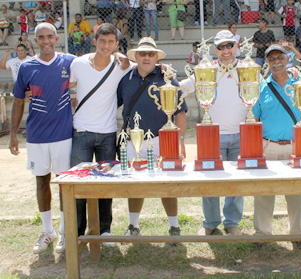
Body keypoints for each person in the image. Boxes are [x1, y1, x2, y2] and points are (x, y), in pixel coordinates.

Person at [9, 22, 76, 254]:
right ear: (34, 41)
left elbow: (95, 64)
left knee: (64, 184)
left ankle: (66, 231)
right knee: (41, 182)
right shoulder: (26, 67)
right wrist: (13, 135)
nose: (46, 41)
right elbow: (18, 101)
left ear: (57, 39)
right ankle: (48, 231)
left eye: (50, 36)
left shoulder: (69, 61)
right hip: (36, 136)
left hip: (63, 134)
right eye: (41, 37)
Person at [117, 37, 186, 240]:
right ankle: (133, 225)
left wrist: (179, 139)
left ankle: (174, 227)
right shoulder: (126, 79)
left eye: (150, 54)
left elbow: (180, 112)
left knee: (167, 184)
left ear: (157, 57)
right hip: (134, 141)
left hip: (162, 139)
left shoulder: (168, 77)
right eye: (142, 54)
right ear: (136, 57)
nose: (146, 58)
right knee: (135, 185)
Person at [69, 23, 132, 241]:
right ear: (94, 41)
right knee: (77, 186)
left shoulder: (123, 65)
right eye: (102, 41)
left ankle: (105, 230)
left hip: (107, 133)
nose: (106, 46)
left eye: (111, 42)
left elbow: (146, 65)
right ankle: (76, 232)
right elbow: (62, 86)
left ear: (116, 44)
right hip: (81, 132)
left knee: (106, 186)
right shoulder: (77, 63)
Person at [181, 30, 248, 236]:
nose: (226, 51)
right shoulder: (206, 70)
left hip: (241, 134)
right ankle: (210, 222)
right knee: (208, 179)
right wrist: (163, 79)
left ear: (237, 46)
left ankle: (232, 222)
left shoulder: (248, 69)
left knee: (236, 181)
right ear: (215, 50)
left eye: (229, 46)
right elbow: (184, 87)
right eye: (221, 47)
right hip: (212, 135)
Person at [252, 44, 301, 249]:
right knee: (264, 192)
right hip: (268, 146)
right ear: (267, 63)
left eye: (280, 57)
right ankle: (262, 233)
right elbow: (255, 116)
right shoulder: (261, 87)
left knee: (297, 191)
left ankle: (298, 234)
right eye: (271, 59)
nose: (276, 62)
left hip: (296, 145)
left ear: (288, 59)